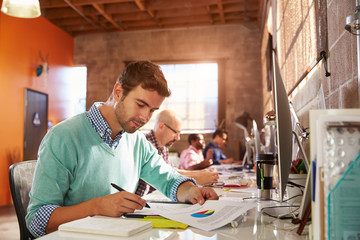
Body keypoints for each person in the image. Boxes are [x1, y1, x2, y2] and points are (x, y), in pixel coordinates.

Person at [26, 61, 218, 237]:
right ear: (118, 92)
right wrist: (96, 206)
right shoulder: (63, 137)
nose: (145, 117)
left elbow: (168, 179)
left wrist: (191, 190)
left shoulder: (137, 142)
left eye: (152, 110)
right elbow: (36, 221)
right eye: (140, 104)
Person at [135, 110, 219, 196]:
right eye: (176, 132)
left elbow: (171, 170)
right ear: (161, 126)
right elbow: (164, 174)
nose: (178, 138)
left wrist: (200, 173)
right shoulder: (147, 145)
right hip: (141, 200)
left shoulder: (163, 146)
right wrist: (197, 177)